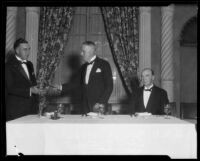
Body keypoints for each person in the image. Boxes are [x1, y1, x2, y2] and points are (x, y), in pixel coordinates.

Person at [56, 41, 113, 115]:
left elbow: (109, 86)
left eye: (83, 51)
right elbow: (75, 83)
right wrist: (61, 87)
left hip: (98, 106)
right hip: (84, 105)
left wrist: (100, 103)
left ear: (91, 52)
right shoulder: (83, 67)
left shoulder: (104, 64)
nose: (81, 53)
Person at [5, 38, 43, 121]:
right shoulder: (8, 66)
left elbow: (32, 83)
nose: (28, 52)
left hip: (31, 109)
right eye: (25, 49)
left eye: (29, 49)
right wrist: (30, 90)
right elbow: (10, 88)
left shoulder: (29, 64)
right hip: (16, 110)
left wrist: (38, 88)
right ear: (17, 50)